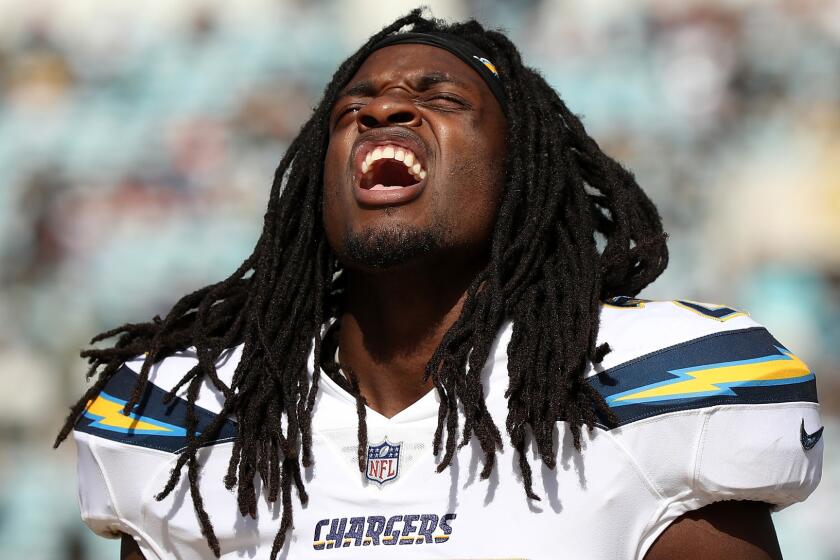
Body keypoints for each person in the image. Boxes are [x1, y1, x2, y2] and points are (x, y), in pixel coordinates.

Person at [56, 10, 823, 560]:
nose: (383, 108)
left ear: (520, 170)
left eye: (442, 99)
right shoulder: (195, 416)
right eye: (350, 110)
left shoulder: (648, 386)